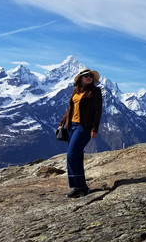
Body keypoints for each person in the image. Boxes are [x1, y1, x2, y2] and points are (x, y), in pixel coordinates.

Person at [58, 68, 103, 198]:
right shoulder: (76, 91)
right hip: (71, 126)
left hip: (84, 127)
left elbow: (98, 111)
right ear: (80, 78)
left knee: (71, 155)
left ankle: (81, 187)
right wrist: (62, 122)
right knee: (76, 156)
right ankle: (79, 188)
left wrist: (95, 129)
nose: (89, 77)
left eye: (90, 76)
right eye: (85, 75)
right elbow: (70, 109)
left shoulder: (95, 92)